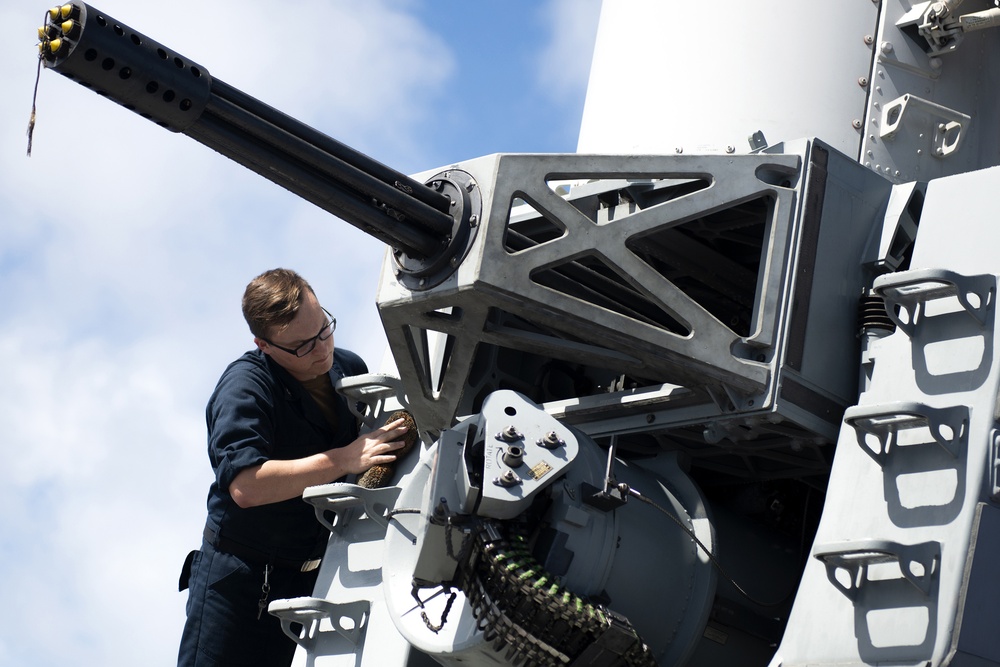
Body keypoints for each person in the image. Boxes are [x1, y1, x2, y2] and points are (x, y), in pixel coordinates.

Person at [177, 268, 408, 666]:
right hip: (240, 583)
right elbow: (247, 486)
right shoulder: (244, 387)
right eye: (301, 346)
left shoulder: (347, 369)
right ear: (263, 345)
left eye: (324, 330)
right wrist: (344, 459)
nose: (321, 350)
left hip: (312, 575)